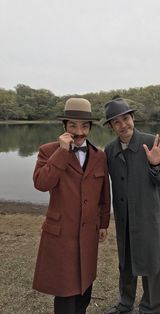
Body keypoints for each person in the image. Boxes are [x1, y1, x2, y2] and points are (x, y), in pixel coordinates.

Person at [32, 98, 110, 314]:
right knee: (65, 293)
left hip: (89, 233)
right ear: (64, 126)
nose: (79, 131)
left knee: (84, 289)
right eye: (73, 125)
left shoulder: (99, 156)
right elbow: (41, 183)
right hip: (61, 234)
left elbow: (105, 194)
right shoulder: (48, 151)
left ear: (90, 127)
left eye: (85, 126)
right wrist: (63, 152)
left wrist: (103, 223)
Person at [103, 97, 160, 314]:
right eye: (116, 122)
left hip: (148, 217)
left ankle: (151, 308)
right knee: (126, 263)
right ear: (111, 127)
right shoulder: (109, 150)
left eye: (126, 118)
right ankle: (125, 303)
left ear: (133, 118)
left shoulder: (152, 142)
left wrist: (155, 164)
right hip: (124, 218)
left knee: (151, 265)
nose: (123, 125)